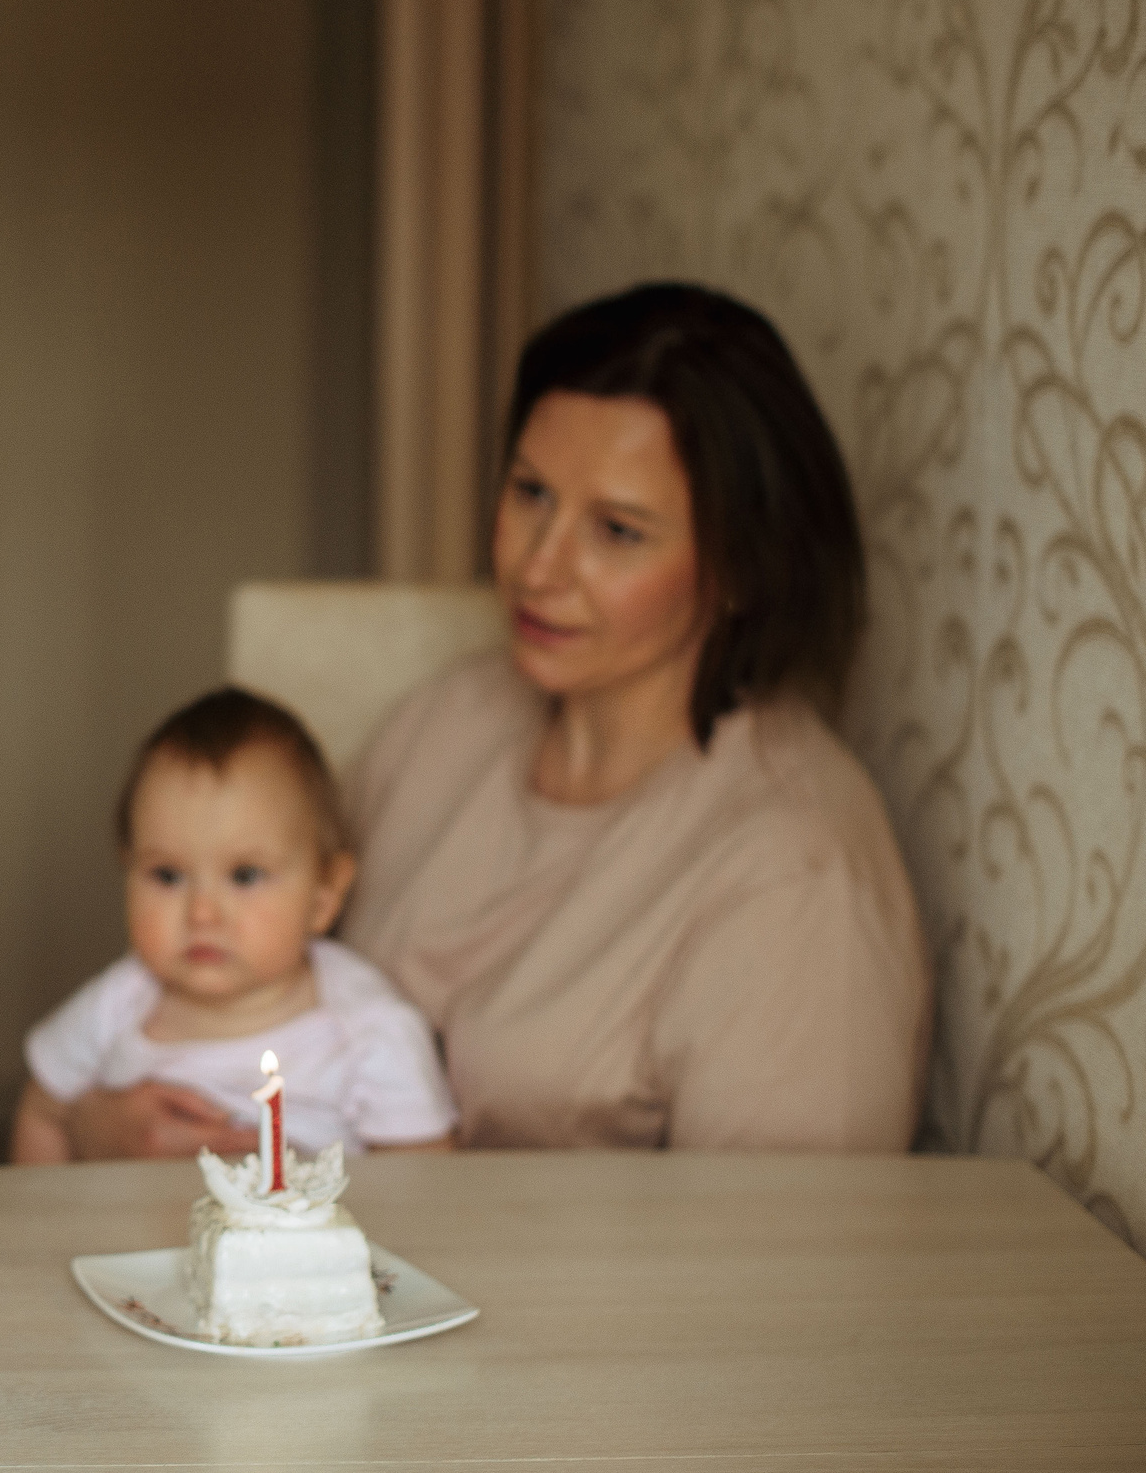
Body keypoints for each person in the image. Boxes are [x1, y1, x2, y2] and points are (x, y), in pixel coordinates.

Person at [340, 282, 931, 1150]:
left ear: (740, 567)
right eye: (530, 493)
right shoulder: (451, 716)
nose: (539, 568)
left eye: (616, 531)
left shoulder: (797, 877)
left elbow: (781, 1234)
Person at [11, 687, 456, 1163]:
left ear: (323, 895)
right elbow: (42, 1114)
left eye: (245, 876)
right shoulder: (116, 1003)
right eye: (167, 876)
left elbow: (422, 1179)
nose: (202, 914)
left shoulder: (370, 1031)